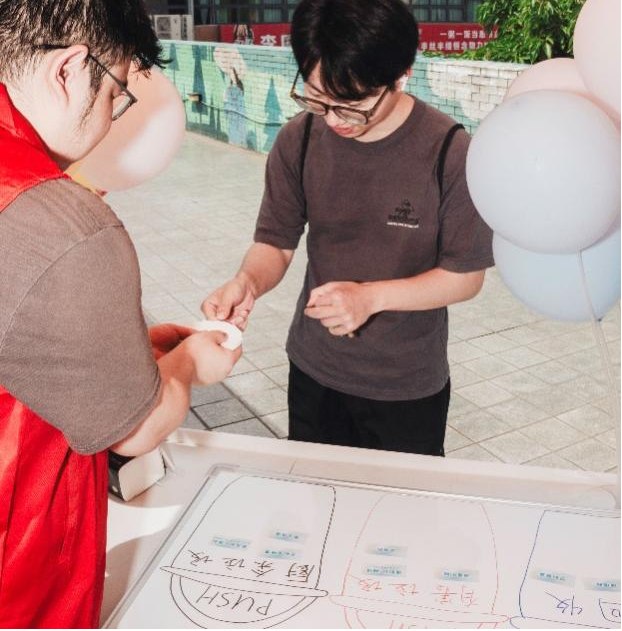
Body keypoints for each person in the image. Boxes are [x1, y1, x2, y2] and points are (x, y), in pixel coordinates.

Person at [0, 1, 241, 627]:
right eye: (116, 94)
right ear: (68, 70)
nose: (113, 120)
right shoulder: (60, 223)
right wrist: (186, 366)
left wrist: (127, 357)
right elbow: (136, 431)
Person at [202, 0, 493, 457]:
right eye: (318, 98)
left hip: (406, 385)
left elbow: (465, 277)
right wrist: (247, 282)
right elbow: (275, 243)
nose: (334, 119)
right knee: (315, 494)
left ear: (401, 75)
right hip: (314, 370)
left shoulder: (450, 153)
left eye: (353, 104)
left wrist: (369, 298)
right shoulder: (299, 140)